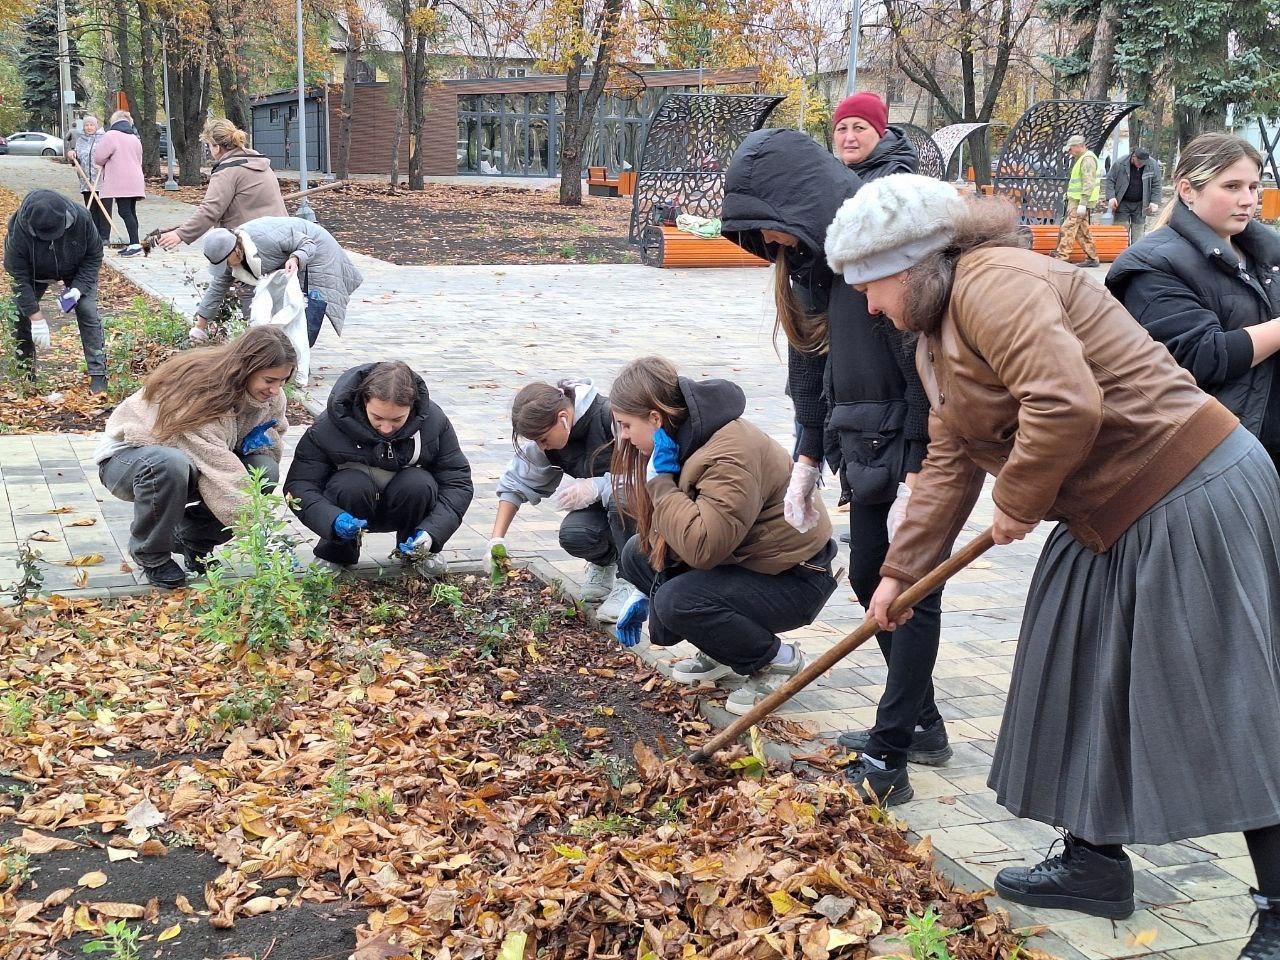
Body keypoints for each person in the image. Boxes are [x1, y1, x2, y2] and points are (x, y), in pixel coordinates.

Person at [826, 173, 1280, 958]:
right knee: (1069, 664)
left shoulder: (995, 284)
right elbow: (951, 454)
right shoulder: (940, 330)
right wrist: (901, 572)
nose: (869, 306)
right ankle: (1093, 863)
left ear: (917, 261)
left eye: (873, 285)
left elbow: (1065, 401)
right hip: (1108, 509)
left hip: (1188, 488)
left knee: (1227, 699)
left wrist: (1022, 501)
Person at [721, 128, 948, 804]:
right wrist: (807, 455)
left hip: (906, 447)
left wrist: (916, 472)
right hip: (862, 446)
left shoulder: (877, 252)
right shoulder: (808, 266)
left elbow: (920, 369)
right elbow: (808, 368)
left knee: (908, 594)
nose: (774, 246)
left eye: (775, 229)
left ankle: (892, 755)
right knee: (874, 584)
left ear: (799, 203)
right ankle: (922, 723)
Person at [608, 357, 838, 715]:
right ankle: (720, 649)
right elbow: (668, 536)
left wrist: (661, 484)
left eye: (626, 426)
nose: (623, 436)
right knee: (639, 554)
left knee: (676, 601)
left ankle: (778, 661)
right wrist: (644, 591)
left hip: (797, 578)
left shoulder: (728, 454)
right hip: (752, 564)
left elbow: (703, 549)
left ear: (655, 418)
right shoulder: (682, 439)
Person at [1106, 134, 1280, 467]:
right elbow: (1201, 356)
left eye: (1253, 187)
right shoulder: (1153, 264)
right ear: (1188, 191)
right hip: (1208, 459)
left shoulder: (1268, 256)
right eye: (1231, 187)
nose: (1247, 200)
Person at [94, 326, 294, 589]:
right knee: (171, 465)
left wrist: (257, 445)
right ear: (246, 367)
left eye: (283, 381)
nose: (275, 389)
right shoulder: (202, 392)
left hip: (197, 458)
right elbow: (218, 467)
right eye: (269, 380)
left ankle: (193, 539)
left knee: (263, 471)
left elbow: (271, 436)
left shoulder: (271, 396)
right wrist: (261, 533)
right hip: (130, 459)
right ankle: (151, 554)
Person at [284, 361, 473, 574]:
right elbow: (299, 485)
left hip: (407, 504)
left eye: (397, 419)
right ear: (365, 401)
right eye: (378, 417)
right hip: (349, 506)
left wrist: (432, 532)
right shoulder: (328, 426)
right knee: (349, 484)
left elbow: (458, 482)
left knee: (419, 482)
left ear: (412, 407)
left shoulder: (434, 422)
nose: (386, 428)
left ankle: (418, 551)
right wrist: (331, 519)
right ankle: (336, 553)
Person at [490, 378, 633, 620]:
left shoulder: (612, 419)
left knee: (624, 498)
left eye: (543, 439)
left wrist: (598, 486)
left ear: (563, 418)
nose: (542, 447)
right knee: (575, 534)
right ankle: (604, 563)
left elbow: (650, 481)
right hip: (607, 511)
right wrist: (495, 540)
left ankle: (632, 580)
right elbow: (516, 483)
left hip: (645, 513)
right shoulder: (551, 434)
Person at [155, 118, 288, 339]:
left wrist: (181, 234)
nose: (210, 150)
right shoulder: (257, 162)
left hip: (250, 243)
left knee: (248, 291)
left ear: (217, 146)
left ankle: (262, 345)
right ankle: (201, 328)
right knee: (232, 280)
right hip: (279, 237)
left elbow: (210, 210)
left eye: (209, 145)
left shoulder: (228, 171)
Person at [3, 189, 108, 393]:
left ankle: (98, 375)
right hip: (34, 274)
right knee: (18, 317)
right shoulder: (18, 230)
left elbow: (94, 255)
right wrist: (36, 317)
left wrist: (78, 289)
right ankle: (27, 374)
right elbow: (18, 275)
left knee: (88, 311)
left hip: (74, 269)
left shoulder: (81, 219)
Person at [195, 218, 363, 342]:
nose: (225, 267)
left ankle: (296, 363)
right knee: (263, 318)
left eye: (225, 262)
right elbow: (217, 289)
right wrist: (199, 328)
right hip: (292, 258)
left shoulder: (264, 239)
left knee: (305, 310)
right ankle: (280, 356)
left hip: (316, 250)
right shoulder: (231, 256)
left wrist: (296, 258)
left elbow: (308, 244)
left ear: (235, 251)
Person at [92, 110, 146, 256]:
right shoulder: (134, 138)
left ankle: (135, 245)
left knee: (124, 211)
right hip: (135, 179)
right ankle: (134, 242)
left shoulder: (111, 136)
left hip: (121, 180)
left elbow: (99, 157)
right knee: (131, 211)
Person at [1053, 134, 1101, 267]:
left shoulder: (1087, 160)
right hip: (1077, 201)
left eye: (1071, 149)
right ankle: (1093, 258)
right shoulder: (1082, 159)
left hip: (1080, 202)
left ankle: (1061, 257)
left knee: (1067, 228)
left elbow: (1088, 183)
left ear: (1079, 146)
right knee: (1081, 231)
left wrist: (1083, 203)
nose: (1069, 152)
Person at [1104, 147, 1162, 243]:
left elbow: (1156, 184)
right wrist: (1111, 197)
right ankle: (1121, 255)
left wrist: (1154, 201)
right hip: (1122, 203)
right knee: (1121, 233)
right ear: (1134, 156)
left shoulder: (1152, 165)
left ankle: (1135, 256)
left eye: (1143, 163)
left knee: (1138, 234)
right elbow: (1110, 180)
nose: (1140, 165)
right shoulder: (1120, 163)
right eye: (1139, 162)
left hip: (1141, 205)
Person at [67, 116, 105, 226]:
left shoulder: (103, 138)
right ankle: (93, 236)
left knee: (103, 210)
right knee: (91, 210)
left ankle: (104, 237)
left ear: (96, 126)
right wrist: (72, 153)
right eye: (86, 125)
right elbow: (77, 156)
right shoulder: (80, 140)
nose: (89, 127)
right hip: (86, 180)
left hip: (101, 180)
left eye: (91, 125)